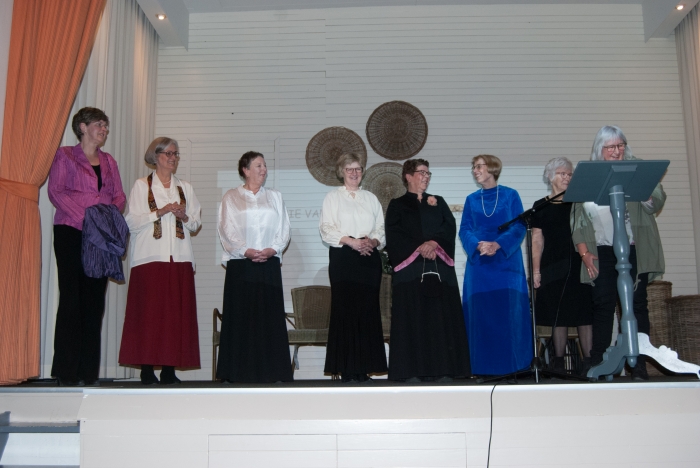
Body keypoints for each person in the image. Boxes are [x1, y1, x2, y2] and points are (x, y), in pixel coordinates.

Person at [572, 125, 665, 381]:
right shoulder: (589, 175)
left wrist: (642, 188)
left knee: (637, 304)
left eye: (620, 145)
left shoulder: (638, 169)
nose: (616, 151)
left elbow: (657, 200)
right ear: (599, 149)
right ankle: (598, 361)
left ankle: (639, 365)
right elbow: (577, 220)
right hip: (600, 251)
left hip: (633, 249)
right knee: (603, 304)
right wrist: (584, 253)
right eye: (610, 147)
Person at [47, 107, 126, 387]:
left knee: (94, 303)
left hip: (99, 238)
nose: (104, 129)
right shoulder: (65, 155)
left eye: (105, 125)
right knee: (72, 300)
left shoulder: (109, 161)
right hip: (71, 231)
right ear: (82, 127)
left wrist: (105, 220)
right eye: (99, 124)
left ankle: (88, 372)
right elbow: (56, 192)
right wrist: (89, 219)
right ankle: (66, 371)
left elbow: (119, 197)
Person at [119, 137, 202, 385]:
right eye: (168, 153)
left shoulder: (185, 187)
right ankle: (146, 369)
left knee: (174, 316)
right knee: (149, 315)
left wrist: (183, 216)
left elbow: (196, 223)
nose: (173, 158)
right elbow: (131, 222)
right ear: (155, 157)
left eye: (175, 154)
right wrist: (160, 211)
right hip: (149, 259)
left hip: (179, 258)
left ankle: (168, 369)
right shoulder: (141, 185)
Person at [385, 159, 471, 382]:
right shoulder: (397, 204)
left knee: (440, 319)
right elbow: (394, 233)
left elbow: (448, 226)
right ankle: (411, 371)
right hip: (410, 272)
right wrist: (420, 247)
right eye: (421, 172)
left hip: (438, 268)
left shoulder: (438, 201)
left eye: (428, 173)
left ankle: (445, 369)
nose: (426, 176)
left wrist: (433, 244)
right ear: (408, 176)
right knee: (413, 319)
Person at [216, 151, 293, 383]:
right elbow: (226, 229)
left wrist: (273, 249)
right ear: (245, 170)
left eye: (265, 165)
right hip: (241, 265)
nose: (264, 170)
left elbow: (284, 229)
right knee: (241, 318)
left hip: (269, 264)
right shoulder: (231, 197)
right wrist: (245, 251)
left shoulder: (275, 196)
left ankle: (273, 372)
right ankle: (237, 373)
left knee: (269, 320)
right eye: (258, 165)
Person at [459, 154, 532, 376]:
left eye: (479, 166)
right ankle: (480, 369)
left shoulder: (511, 195)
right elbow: (465, 229)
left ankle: (513, 368)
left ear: (492, 168)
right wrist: (478, 245)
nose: (475, 170)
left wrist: (498, 244)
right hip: (479, 265)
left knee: (508, 316)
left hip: (507, 266)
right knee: (481, 316)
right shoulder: (471, 199)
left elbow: (519, 226)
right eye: (473, 167)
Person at [319, 153, 387, 382]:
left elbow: (380, 229)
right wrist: (352, 242)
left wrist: (372, 242)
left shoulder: (371, 198)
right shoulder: (332, 198)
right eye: (349, 169)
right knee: (345, 312)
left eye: (358, 169)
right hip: (344, 258)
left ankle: (365, 368)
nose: (354, 173)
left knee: (367, 312)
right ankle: (347, 370)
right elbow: (326, 228)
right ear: (342, 172)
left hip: (369, 258)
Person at [531, 157, 593, 374]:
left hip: (579, 264)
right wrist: (536, 270)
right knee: (559, 314)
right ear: (550, 177)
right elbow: (537, 240)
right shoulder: (540, 206)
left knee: (584, 313)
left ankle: (589, 364)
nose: (567, 177)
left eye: (569, 174)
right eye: (562, 174)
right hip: (552, 265)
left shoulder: (580, 203)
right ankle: (558, 363)